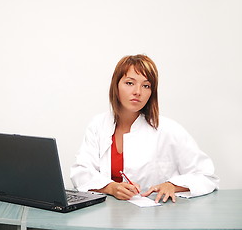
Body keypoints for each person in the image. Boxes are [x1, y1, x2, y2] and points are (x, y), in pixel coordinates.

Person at [70, 54, 219, 203]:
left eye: (146, 86)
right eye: (129, 83)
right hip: (107, 216)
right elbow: (80, 172)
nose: (138, 92)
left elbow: (206, 176)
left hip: (154, 216)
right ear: (116, 85)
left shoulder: (168, 129)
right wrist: (111, 188)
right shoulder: (98, 125)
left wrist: (172, 185)